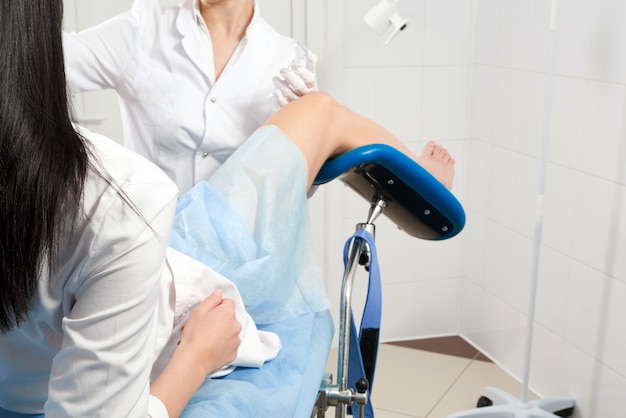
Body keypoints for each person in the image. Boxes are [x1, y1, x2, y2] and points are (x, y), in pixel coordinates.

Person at [0, 1, 454, 417]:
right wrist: (195, 358)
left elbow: (283, 200)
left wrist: (298, 154)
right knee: (321, 112)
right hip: (174, 241)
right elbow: (35, 61)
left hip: (214, 233)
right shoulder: (142, 31)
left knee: (315, 107)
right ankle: (421, 173)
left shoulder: (284, 54)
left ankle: (412, 168)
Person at [64, 0, 318, 194]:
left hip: (237, 250)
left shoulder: (285, 57)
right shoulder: (144, 29)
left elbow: (296, 187)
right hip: (154, 243)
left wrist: (309, 134)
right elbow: (46, 63)